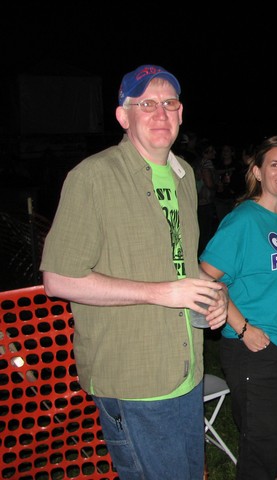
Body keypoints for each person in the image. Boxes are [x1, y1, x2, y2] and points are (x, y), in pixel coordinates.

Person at [39, 64, 229, 480]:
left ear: (181, 113)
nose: (160, 113)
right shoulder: (92, 177)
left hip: (186, 368)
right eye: (146, 104)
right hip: (135, 377)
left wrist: (215, 294)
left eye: (169, 103)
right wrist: (161, 293)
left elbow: (181, 263)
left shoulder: (183, 176)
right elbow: (59, 279)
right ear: (123, 116)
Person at [200, 135, 277, 480]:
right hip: (254, 347)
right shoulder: (244, 221)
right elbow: (205, 277)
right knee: (262, 442)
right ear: (257, 172)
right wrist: (243, 327)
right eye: (274, 164)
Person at [195, 139, 218, 254]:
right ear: (205, 152)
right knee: (206, 233)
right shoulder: (206, 163)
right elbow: (209, 183)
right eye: (211, 151)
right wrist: (216, 187)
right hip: (205, 202)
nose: (214, 152)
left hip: (197, 201)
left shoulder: (197, 162)